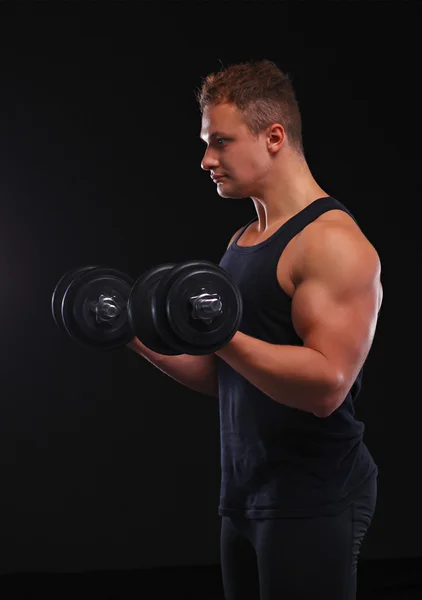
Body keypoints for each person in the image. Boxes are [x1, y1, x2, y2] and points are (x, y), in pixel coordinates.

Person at [128, 59, 383, 600]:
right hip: (245, 495)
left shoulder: (331, 242)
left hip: (314, 496)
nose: (206, 160)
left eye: (220, 142)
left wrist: (219, 334)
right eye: (206, 143)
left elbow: (327, 386)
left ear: (273, 137)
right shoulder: (243, 240)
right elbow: (221, 376)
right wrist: (130, 332)